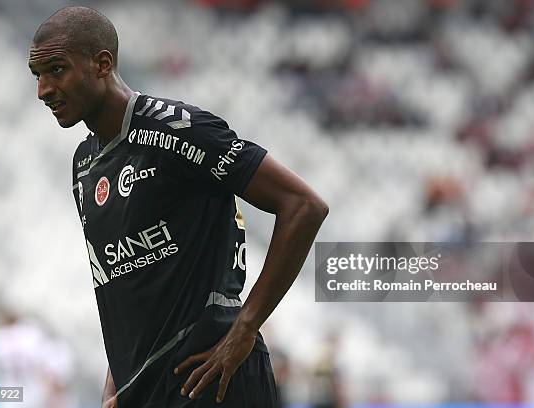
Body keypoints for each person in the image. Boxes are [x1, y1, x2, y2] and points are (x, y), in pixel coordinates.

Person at [29, 6, 328, 407]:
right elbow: (121, 283)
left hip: (212, 374)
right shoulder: (84, 164)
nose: (43, 90)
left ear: (102, 64)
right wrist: (115, 383)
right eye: (38, 76)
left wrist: (246, 327)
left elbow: (304, 205)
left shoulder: (178, 129)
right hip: (146, 388)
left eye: (56, 70)